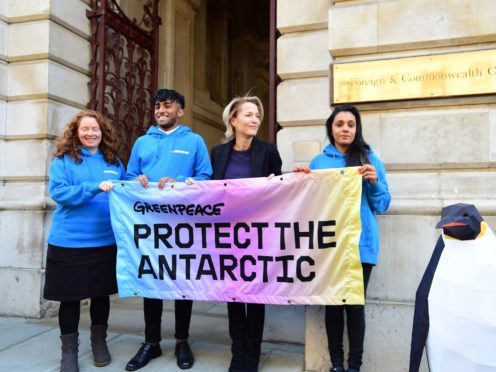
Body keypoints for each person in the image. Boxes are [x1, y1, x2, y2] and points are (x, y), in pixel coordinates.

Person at [294, 105, 391, 372]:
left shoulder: (369, 158)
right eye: (339, 124)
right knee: (333, 307)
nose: (345, 129)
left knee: (355, 307)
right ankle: (336, 364)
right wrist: (302, 183)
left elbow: (382, 205)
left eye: (350, 124)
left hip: (360, 245)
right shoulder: (319, 162)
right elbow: (309, 206)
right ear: (331, 129)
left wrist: (374, 182)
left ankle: (354, 367)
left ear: (356, 128)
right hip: (329, 246)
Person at [125, 88, 212, 371]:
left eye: (167, 106)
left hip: (182, 224)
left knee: (181, 282)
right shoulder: (142, 142)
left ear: (180, 111)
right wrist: (136, 179)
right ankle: (151, 342)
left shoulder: (195, 141)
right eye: (158, 106)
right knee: (153, 281)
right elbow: (128, 178)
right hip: (149, 225)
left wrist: (180, 180)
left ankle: (182, 341)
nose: (161, 110)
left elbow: (205, 177)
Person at [43, 110, 126, 372]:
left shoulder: (114, 161)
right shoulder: (63, 159)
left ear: (103, 132)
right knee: (69, 299)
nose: (91, 133)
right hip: (69, 241)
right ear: (76, 132)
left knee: (101, 296)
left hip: (104, 241)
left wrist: (141, 183)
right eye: (85, 129)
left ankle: (99, 343)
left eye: (96, 129)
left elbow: (126, 191)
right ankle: (69, 353)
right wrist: (93, 187)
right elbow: (59, 193)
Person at [210, 96, 282, 372]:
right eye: (249, 115)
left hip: (257, 235)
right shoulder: (218, 153)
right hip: (227, 236)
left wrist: (279, 182)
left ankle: (252, 353)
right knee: (233, 295)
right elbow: (210, 190)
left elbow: (282, 188)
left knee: (255, 296)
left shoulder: (268, 151)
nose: (255, 120)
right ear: (233, 120)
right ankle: (237, 351)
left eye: (257, 116)